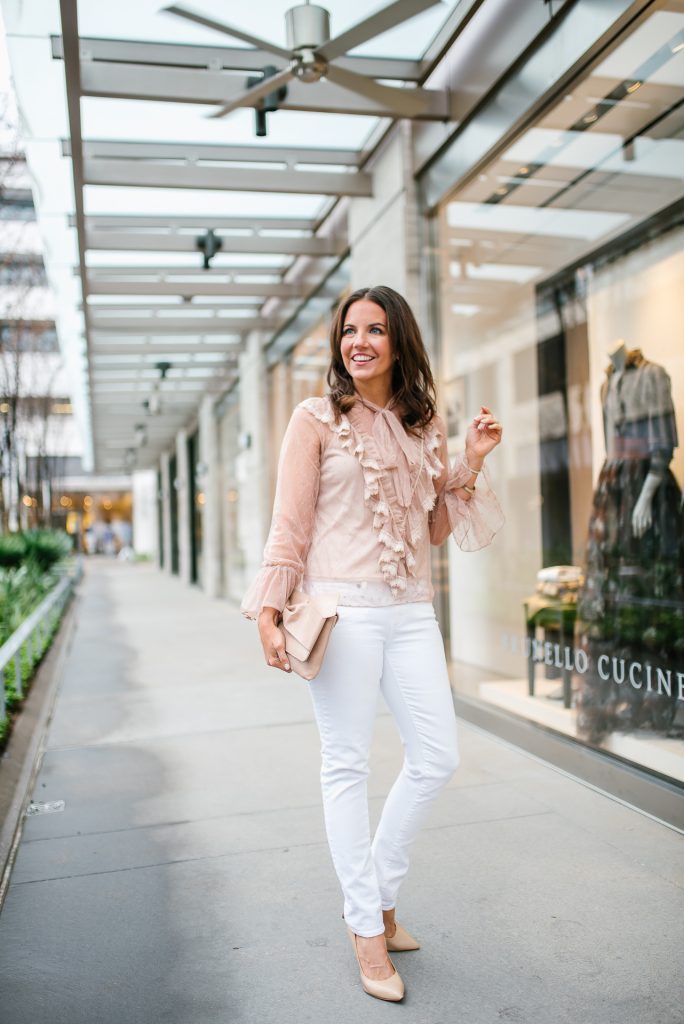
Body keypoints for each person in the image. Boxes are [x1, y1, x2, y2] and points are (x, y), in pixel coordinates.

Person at [241, 285, 504, 1002]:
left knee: (437, 756)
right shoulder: (314, 419)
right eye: (349, 330)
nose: (359, 341)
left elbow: (431, 530)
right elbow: (289, 524)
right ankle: (366, 928)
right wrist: (268, 609)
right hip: (344, 614)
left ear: (398, 342)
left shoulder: (424, 424)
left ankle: (380, 897)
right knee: (347, 766)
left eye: (375, 330)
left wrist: (471, 459)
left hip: (413, 611)